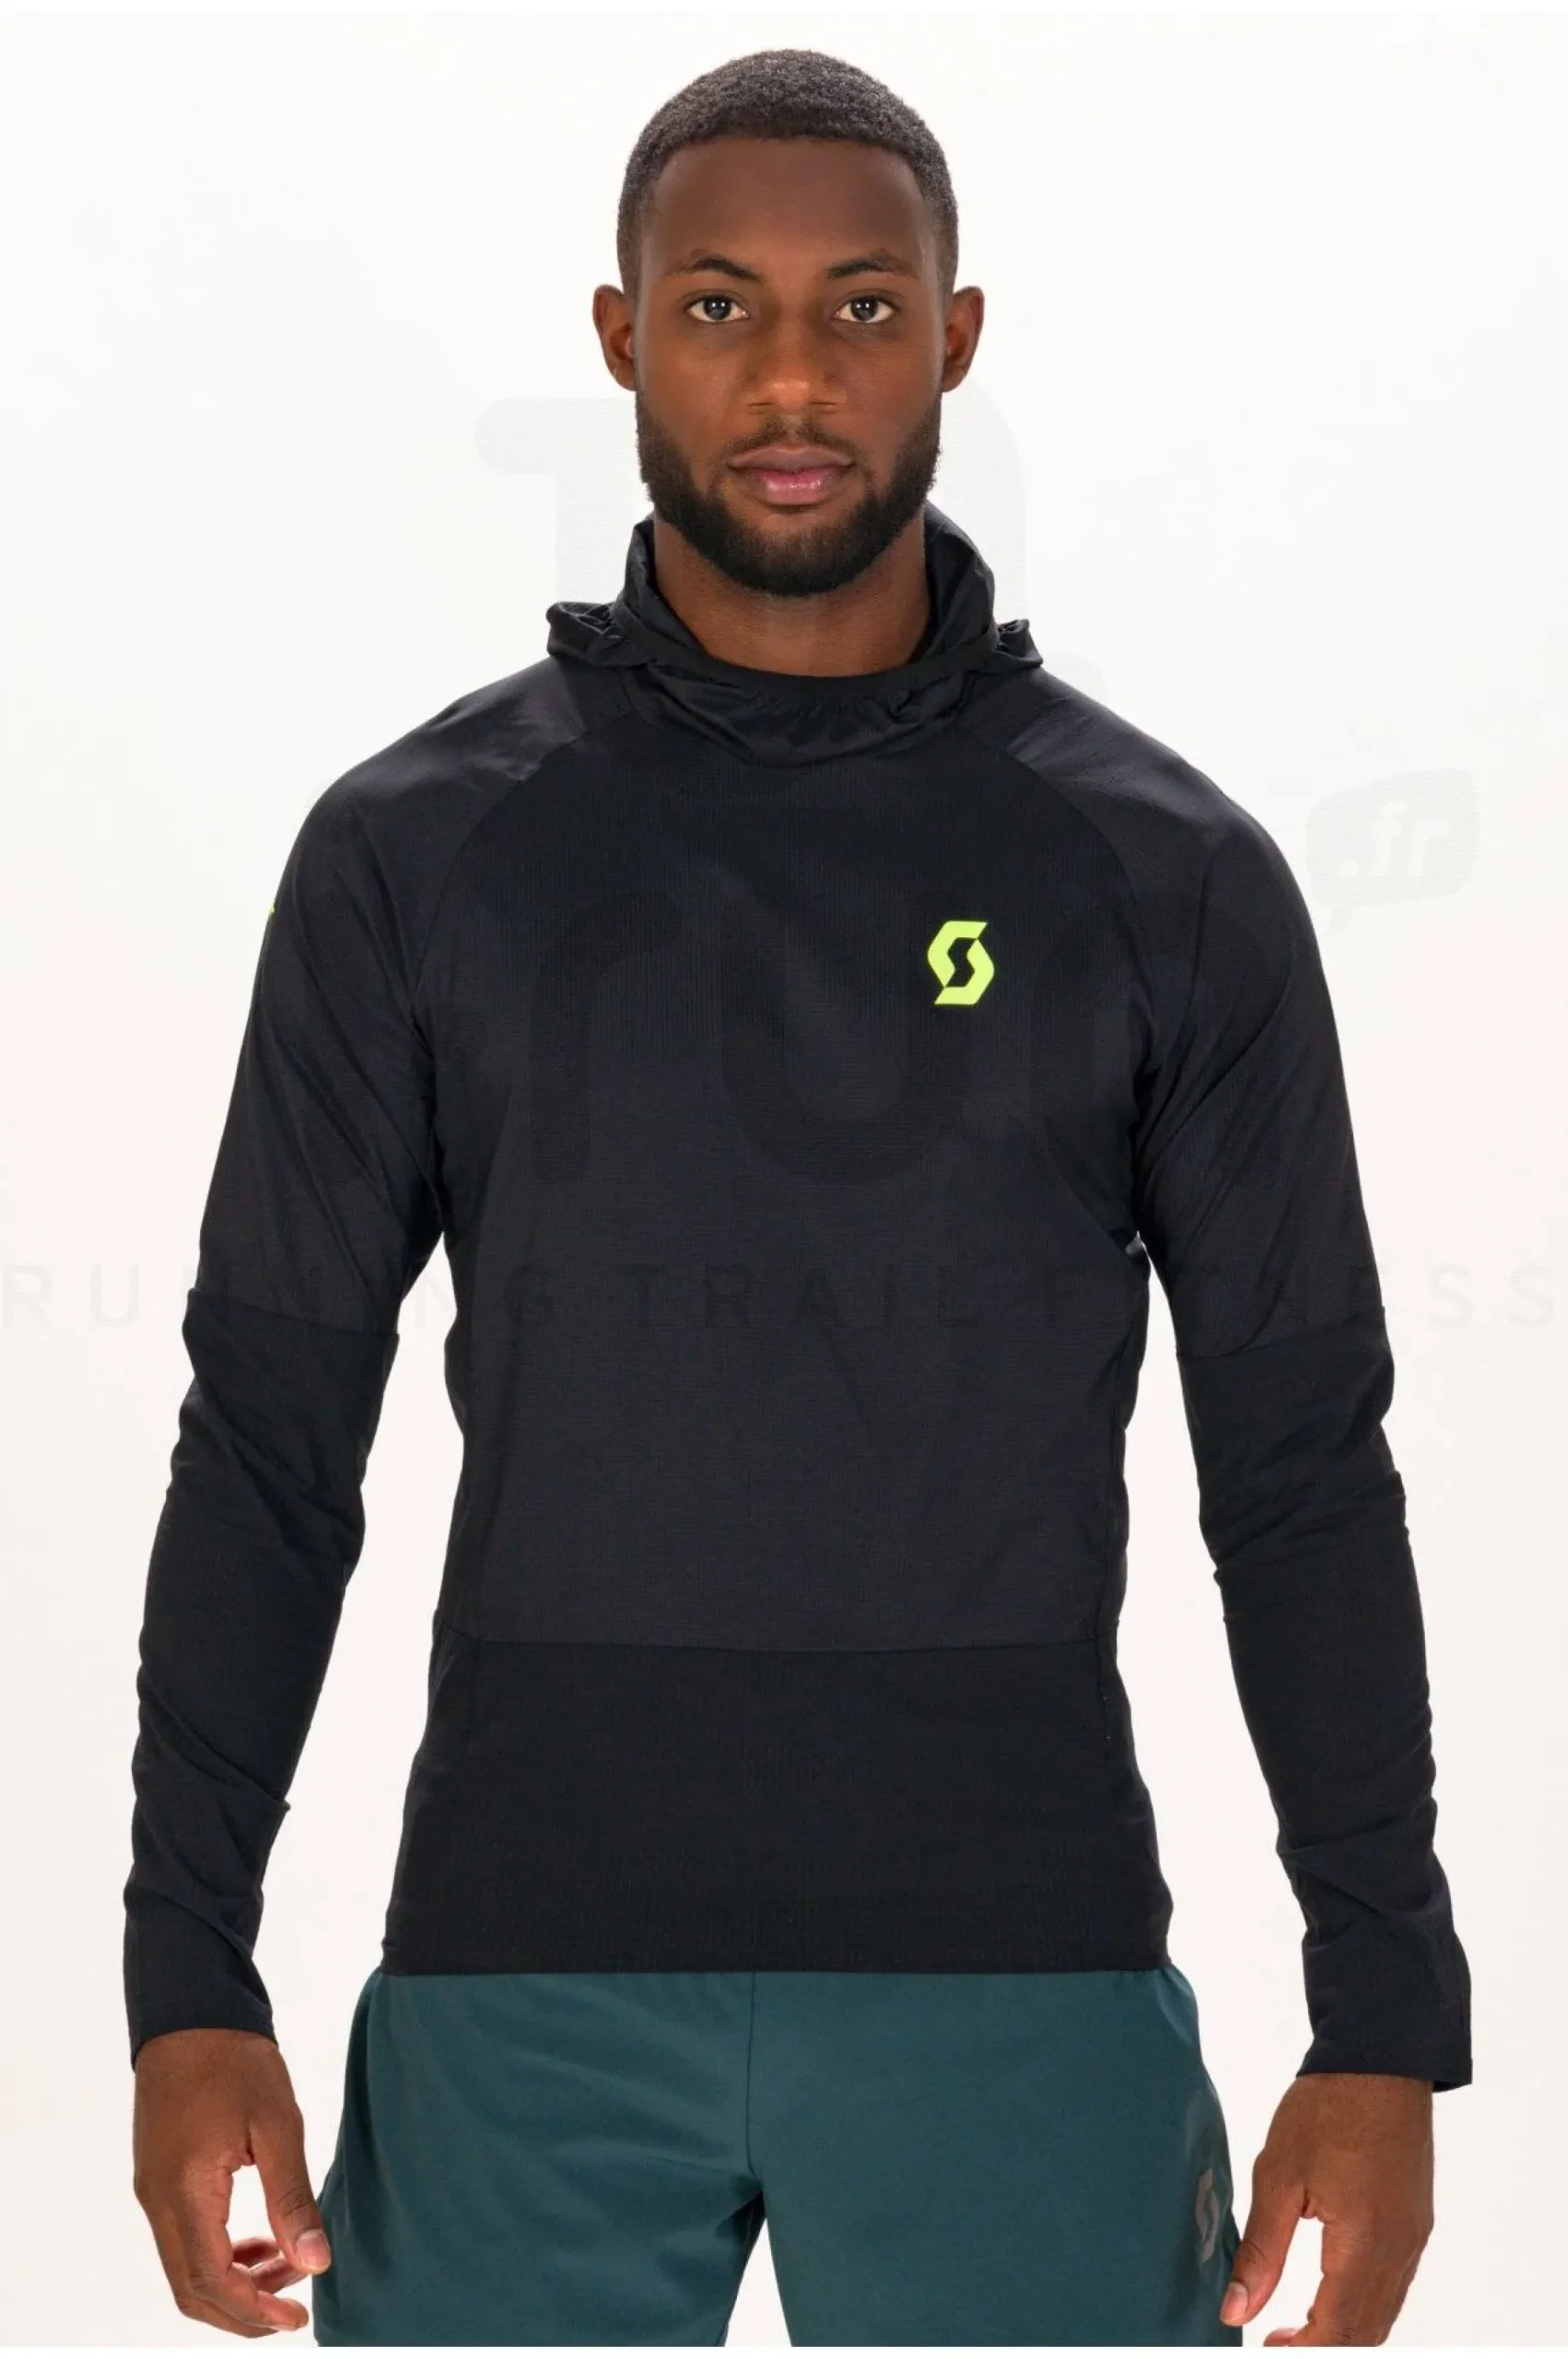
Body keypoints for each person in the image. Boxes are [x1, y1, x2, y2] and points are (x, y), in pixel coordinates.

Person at [125, 45, 1470, 2348]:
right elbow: (266, 1441)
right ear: (617, 335)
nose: (787, 377)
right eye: (716, 304)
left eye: (859, 307)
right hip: (516, 1988)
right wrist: (187, 1977)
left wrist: (1383, 2018)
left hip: (1020, 1983)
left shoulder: (1160, 875)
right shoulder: (418, 855)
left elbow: (1299, 1465)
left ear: (953, 336)